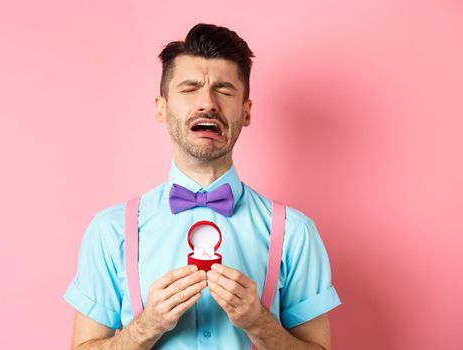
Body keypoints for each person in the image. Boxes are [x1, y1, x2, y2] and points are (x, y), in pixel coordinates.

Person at [64, 23, 341, 350]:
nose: (207, 102)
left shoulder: (295, 232)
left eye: (224, 90)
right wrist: (146, 327)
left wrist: (259, 323)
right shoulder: (110, 230)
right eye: (189, 88)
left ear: (246, 111)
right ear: (161, 108)